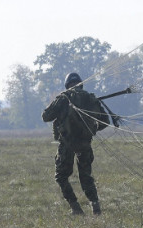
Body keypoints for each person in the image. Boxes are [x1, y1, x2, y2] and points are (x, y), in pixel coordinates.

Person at [41, 72, 108, 215]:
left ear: (67, 85)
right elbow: (105, 121)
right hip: (85, 144)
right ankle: (96, 208)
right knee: (86, 177)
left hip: (67, 144)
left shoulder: (63, 98)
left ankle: (75, 207)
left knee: (61, 176)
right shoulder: (90, 98)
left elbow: (46, 116)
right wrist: (91, 129)